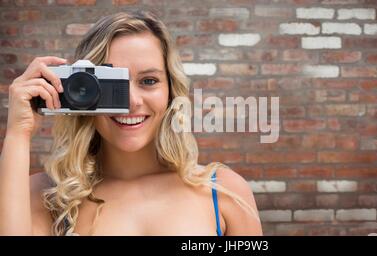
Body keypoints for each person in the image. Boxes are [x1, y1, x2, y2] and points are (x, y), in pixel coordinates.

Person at [0, 11, 262, 236]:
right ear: (81, 93)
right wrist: (17, 134)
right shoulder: (42, 196)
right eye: (112, 85)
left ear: (171, 91)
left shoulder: (224, 191)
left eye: (149, 81)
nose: (132, 101)